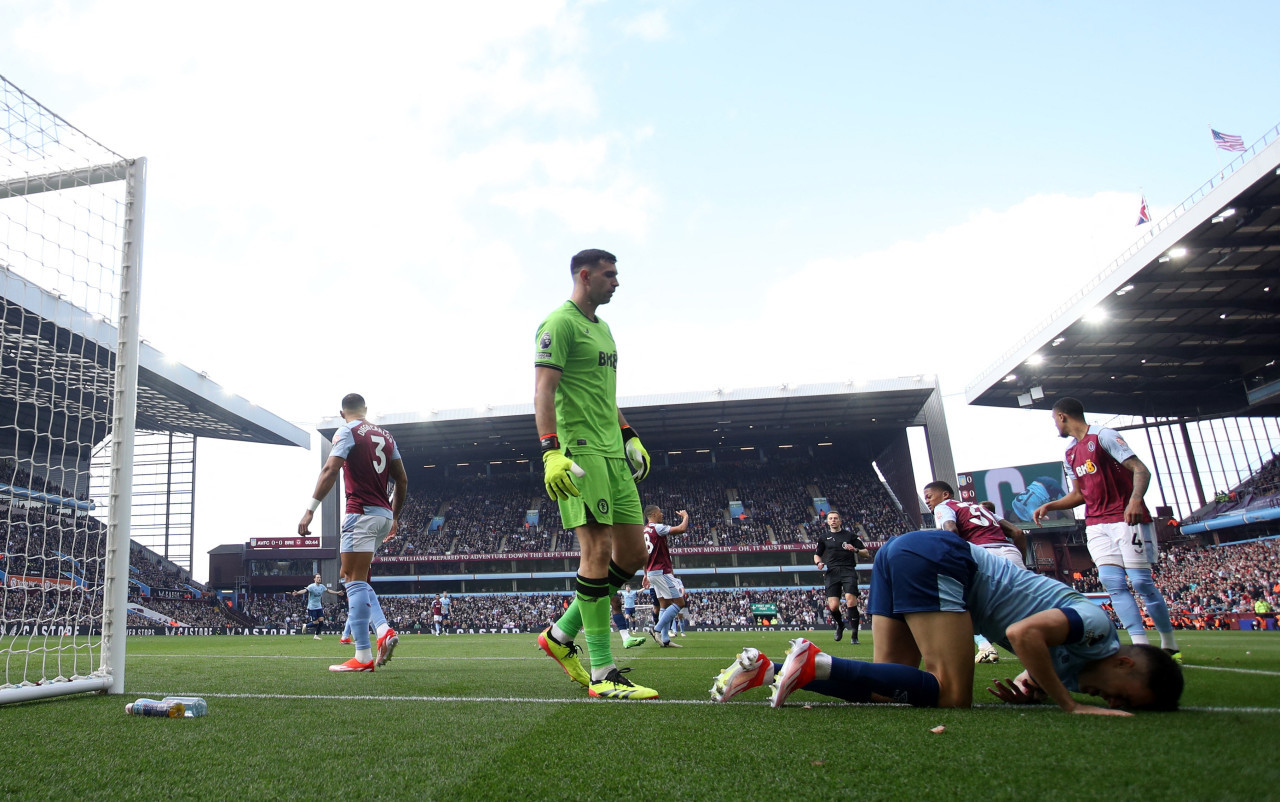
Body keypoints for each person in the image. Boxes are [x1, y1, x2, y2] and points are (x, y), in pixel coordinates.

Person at [710, 529, 1183, 715]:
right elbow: (1022, 633)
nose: (1107, 699)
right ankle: (814, 659)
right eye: (1122, 694)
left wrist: (1032, 683)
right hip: (942, 560)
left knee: (891, 690)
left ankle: (770, 669)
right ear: (1125, 664)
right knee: (952, 695)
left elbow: (1037, 650)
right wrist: (1068, 705)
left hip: (905, 554)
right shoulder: (1099, 627)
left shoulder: (1079, 663)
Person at [533, 249, 658, 700]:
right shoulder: (558, 323)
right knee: (599, 549)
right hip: (579, 452)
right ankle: (603, 672)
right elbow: (543, 390)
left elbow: (605, 395)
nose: (617, 283)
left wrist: (629, 435)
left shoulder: (604, 330)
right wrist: (551, 452)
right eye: (610, 275)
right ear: (585, 276)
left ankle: (560, 636)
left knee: (634, 554)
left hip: (612, 453)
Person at [1032, 397, 1181, 661]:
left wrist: (1135, 500)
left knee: (1140, 583)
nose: (1055, 424)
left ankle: (1169, 643)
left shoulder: (1104, 436)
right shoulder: (1069, 453)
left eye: (1054, 419)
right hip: (1096, 523)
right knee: (1113, 583)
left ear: (1062, 416)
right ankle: (1140, 646)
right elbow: (1080, 494)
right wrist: (1051, 505)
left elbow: (1140, 470)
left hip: (1126, 518)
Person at [299, 393, 407, 672]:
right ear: (366, 409)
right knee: (358, 579)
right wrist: (394, 516)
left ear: (342, 412)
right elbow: (402, 479)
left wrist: (310, 509)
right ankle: (383, 630)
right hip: (382, 514)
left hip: (361, 512)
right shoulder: (386, 435)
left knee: (351, 579)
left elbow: (330, 468)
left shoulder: (346, 431)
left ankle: (362, 656)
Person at [923, 481, 1029, 663]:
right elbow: (1018, 532)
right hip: (1011, 553)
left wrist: (952, 566)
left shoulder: (943, 507)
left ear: (945, 495)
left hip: (985, 556)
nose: (927, 501)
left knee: (962, 606)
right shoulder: (980, 508)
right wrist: (1021, 565)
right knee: (1027, 611)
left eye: (929, 496)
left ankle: (985, 646)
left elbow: (951, 531)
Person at [813, 510, 871, 645]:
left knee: (851, 601)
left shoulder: (850, 536)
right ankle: (840, 625)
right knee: (833, 606)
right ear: (827, 522)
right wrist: (819, 563)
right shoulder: (823, 537)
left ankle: (854, 635)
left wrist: (855, 550)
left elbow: (866, 553)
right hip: (832, 572)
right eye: (830, 518)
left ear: (840, 521)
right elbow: (817, 554)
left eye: (835, 518)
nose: (833, 520)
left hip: (848, 570)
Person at [641, 506, 690, 648]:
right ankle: (656, 629)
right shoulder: (658, 528)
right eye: (660, 512)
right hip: (662, 571)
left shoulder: (644, 531)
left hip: (651, 572)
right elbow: (681, 529)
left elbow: (644, 555)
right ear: (655, 514)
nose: (662, 514)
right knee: (679, 603)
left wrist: (645, 574)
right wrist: (685, 517)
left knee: (664, 604)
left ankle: (665, 639)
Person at [290, 573, 341, 640]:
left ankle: (316, 635)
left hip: (319, 607)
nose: (319, 578)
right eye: (317, 577)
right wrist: (298, 593)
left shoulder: (322, 586)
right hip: (312, 607)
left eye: (320, 577)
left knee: (321, 621)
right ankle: (306, 625)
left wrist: (337, 593)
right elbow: (304, 590)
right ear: (314, 579)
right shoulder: (311, 586)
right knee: (316, 622)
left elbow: (329, 591)